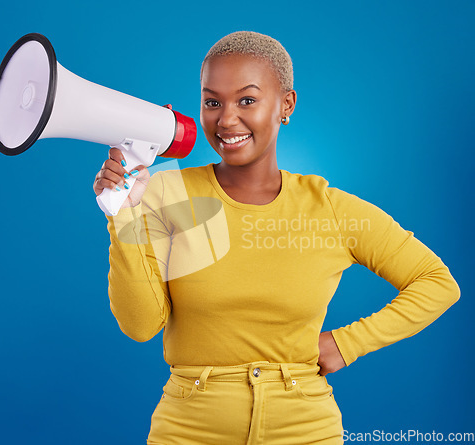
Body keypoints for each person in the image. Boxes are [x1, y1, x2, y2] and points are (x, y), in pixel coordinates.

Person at [92, 31, 460, 445]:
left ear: (286, 105)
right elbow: (140, 325)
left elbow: (437, 282)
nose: (226, 119)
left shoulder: (331, 209)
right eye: (212, 101)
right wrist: (122, 217)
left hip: (305, 428)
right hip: (189, 428)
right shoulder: (165, 192)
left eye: (247, 100)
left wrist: (347, 343)